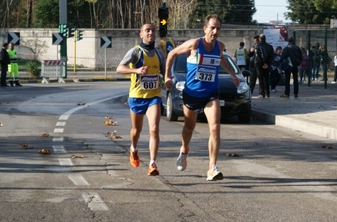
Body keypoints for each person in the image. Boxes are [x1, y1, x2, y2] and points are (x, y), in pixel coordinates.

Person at [164, 14, 240, 181]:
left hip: (211, 93)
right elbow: (171, 55)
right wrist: (167, 77)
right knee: (189, 128)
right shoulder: (195, 44)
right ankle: (184, 150)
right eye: (212, 27)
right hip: (192, 93)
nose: (215, 31)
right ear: (205, 28)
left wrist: (232, 74)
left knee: (215, 128)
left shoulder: (220, 46)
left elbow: (220, 60)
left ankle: (212, 168)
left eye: (218, 28)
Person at [116, 23, 166, 176]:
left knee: (154, 129)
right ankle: (134, 148)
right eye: (147, 31)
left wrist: (169, 80)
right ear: (141, 34)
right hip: (137, 97)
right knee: (136, 130)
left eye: (152, 30)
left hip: (154, 97)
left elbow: (165, 73)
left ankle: (152, 163)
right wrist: (136, 70)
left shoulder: (159, 54)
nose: (150, 33)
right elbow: (119, 68)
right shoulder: (135, 52)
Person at [254, 34, 274, 98]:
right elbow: (272, 56)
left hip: (259, 64)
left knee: (260, 79)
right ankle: (268, 93)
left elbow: (258, 56)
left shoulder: (257, 46)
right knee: (266, 78)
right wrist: (267, 63)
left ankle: (262, 93)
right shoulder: (270, 46)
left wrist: (262, 63)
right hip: (267, 64)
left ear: (260, 39)